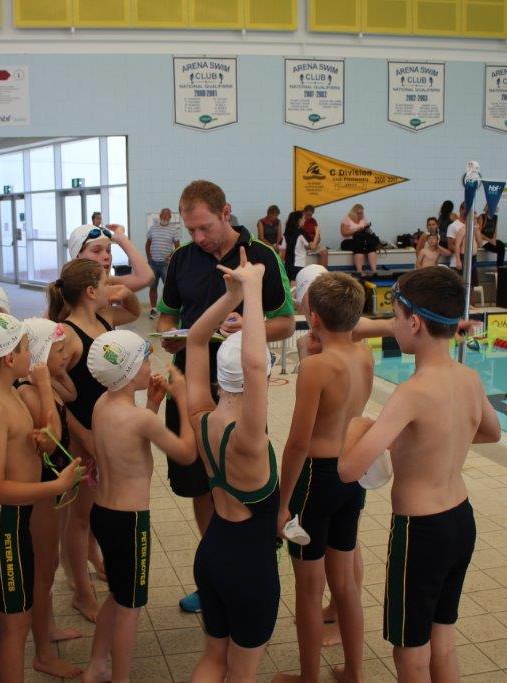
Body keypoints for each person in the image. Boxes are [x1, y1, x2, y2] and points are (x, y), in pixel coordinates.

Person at [339, 267, 501, 681]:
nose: (392, 325)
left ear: (414, 323)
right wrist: (435, 442)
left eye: (394, 317)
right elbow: (491, 432)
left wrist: (357, 426)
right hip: (461, 519)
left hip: (421, 533)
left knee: (410, 650)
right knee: (442, 637)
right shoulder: (468, 378)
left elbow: (349, 469)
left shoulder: (411, 393)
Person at [156, 180, 294, 614]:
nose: (199, 238)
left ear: (226, 212)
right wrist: (170, 336)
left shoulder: (261, 257)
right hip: (191, 381)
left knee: (245, 481)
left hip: (239, 388)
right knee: (201, 483)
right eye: (191, 230)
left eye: (206, 227)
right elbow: (165, 318)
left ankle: (254, 565)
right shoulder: (182, 260)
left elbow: (286, 323)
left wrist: (250, 325)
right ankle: (215, 572)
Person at [0, 312, 83, 683]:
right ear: (8, 358)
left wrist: (40, 441)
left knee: (5, 616)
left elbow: (36, 438)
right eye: (25, 347)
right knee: (15, 624)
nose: (31, 353)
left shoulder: (8, 394)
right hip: (2, 520)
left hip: (14, 519)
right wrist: (56, 486)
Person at [82, 331, 196, 683]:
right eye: (146, 360)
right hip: (130, 524)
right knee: (131, 608)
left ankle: (96, 665)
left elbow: (130, 446)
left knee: (117, 595)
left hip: (103, 514)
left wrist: (154, 404)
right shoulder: (139, 420)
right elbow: (186, 453)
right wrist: (183, 400)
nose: (151, 365)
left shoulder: (102, 405)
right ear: (131, 372)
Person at [186, 253, 280, 679]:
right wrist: (253, 290)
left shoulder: (201, 418)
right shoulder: (249, 441)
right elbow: (255, 367)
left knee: (213, 659)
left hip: (211, 555)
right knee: (241, 673)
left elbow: (194, 340)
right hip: (250, 570)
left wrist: (230, 297)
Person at [277, 273, 372, 683]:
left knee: (309, 589)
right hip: (352, 475)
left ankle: (308, 678)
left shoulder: (316, 368)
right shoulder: (364, 354)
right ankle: (354, 672)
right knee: (345, 583)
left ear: (313, 318)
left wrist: (282, 504)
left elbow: (298, 444)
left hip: (315, 480)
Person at [47, 258, 139, 622]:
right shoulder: (68, 336)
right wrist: (83, 435)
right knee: (80, 517)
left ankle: (95, 565)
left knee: (98, 509)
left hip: (104, 433)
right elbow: (54, 392)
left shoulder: (105, 318)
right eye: (105, 282)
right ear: (90, 291)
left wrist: (123, 291)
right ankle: (81, 595)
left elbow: (135, 312)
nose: (109, 286)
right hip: (81, 438)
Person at [16, 319, 82, 680]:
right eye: (59, 352)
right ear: (39, 357)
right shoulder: (29, 392)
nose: (66, 356)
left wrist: (55, 373)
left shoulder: (49, 385)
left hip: (53, 486)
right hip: (40, 490)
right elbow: (52, 438)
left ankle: (49, 627)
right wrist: (43, 382)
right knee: (42, 571)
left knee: (51, 562)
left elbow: (71, 394)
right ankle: (42, 652)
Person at [67, 222, 153, 297]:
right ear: (77, 256)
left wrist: (121, 238)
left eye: (108, 250)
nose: (106, 256)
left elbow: (146, 278)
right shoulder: (68, 292)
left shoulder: (108, 283)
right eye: (96, 251)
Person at [145, 208, 181, 319]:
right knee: (153, 287)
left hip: (166, 265)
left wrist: (171, 257)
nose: (165, 217)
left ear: (170, 217)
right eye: (163, 215)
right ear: (160, 216)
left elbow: (177, 247)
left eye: (167, 215)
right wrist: (149, 258)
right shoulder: (153, 228)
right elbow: (147, 244)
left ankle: (168, 311)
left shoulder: (174, 230)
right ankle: (153, 309)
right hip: (153, 264)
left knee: (169, 288)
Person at [340, 203, 379, 273]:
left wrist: (367, 228)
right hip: (348, 241)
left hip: (361, 240)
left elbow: (368, 232)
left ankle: (374, 271)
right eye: (359, 213)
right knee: (359, 246)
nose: (361, 215)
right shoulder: (347, 219)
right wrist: (356, 230)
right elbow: (344, 233)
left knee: (371, 247)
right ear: (354, 213)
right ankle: (360, 271)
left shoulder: (363, 219)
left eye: (362, 213)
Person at [283, 210, 305, 281]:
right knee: (295, 285)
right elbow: (312, 246)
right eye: (303, 218)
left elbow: (282, 249)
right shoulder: (301, 233)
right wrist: (317, 233)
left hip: (288, 264)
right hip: (298, 264)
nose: (304, 220)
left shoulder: (286, 233)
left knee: (289, 284)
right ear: (299, 220)